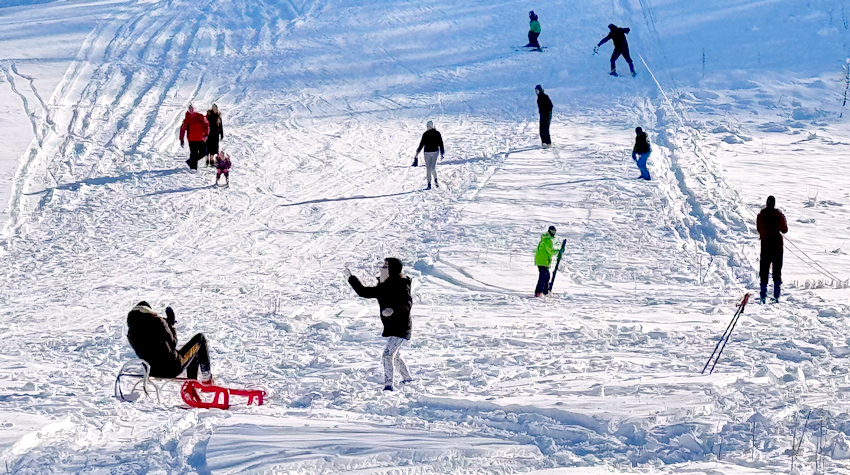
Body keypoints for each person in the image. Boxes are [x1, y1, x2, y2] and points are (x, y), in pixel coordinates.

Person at [344, 258, 413, 391]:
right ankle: (408, 379)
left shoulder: (401, 285)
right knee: (395, 355)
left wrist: (393, 310)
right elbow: (363, 292)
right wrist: (351, 278)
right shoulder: (383, 287)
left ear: (392, 269)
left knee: (387, 355)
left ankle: (388, 385)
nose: (382, 268)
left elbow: (407, 304)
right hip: (391, 326)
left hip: (402, 327)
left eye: (385, 266)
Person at [126, 302, 213, 383]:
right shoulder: (158, 322)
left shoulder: (131, 332)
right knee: (200, 339)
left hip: (152, 371)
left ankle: (191, 383)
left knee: (192, 351)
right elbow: (173, 343)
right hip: (171, 368)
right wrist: (170, 324)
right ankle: (206, 377)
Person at [756, 196, 788, 303]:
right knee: (777, 269)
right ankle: (776, 294)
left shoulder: (761, 215)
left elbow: (759, 229)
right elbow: (784, 230)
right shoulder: (779, 215)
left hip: (765, 244)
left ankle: (763, 293)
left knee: (764, 269)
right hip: (777, 244)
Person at [413, 121, 445, 190]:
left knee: (432, 168)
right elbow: (421, 144)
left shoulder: (437, 133)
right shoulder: (425, 134)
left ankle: (435, 179)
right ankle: (429, 184)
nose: (428, 127)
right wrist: (417, 152)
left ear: (432, 126)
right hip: (426, 153)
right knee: (428, 169)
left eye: (429, 126)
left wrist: (442, 153)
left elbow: (441, 143)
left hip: (435, 153)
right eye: (427, 126)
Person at [179, 104, 210, 170]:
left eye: (192, 108)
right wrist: (181, 139)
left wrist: (206, 135)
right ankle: (193, 168)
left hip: (200, 138)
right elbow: (182, 129)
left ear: (195, 109)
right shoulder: (187, 119)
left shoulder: (200, 116)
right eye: (189, 108)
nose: (191, 110)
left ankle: (191, 161)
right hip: (192, 139)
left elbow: (206, 125)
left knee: (204, 152)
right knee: (193, 153)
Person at [534, 226, 559, 297]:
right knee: (543, 276)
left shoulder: (545, 238)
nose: (553, 233)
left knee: (547, 276)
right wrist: (558, 251)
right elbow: (550, 251)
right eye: (552, 231)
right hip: (543, 260)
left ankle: (545, 291)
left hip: (542, 260)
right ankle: (539, 292)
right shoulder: (547, 240)